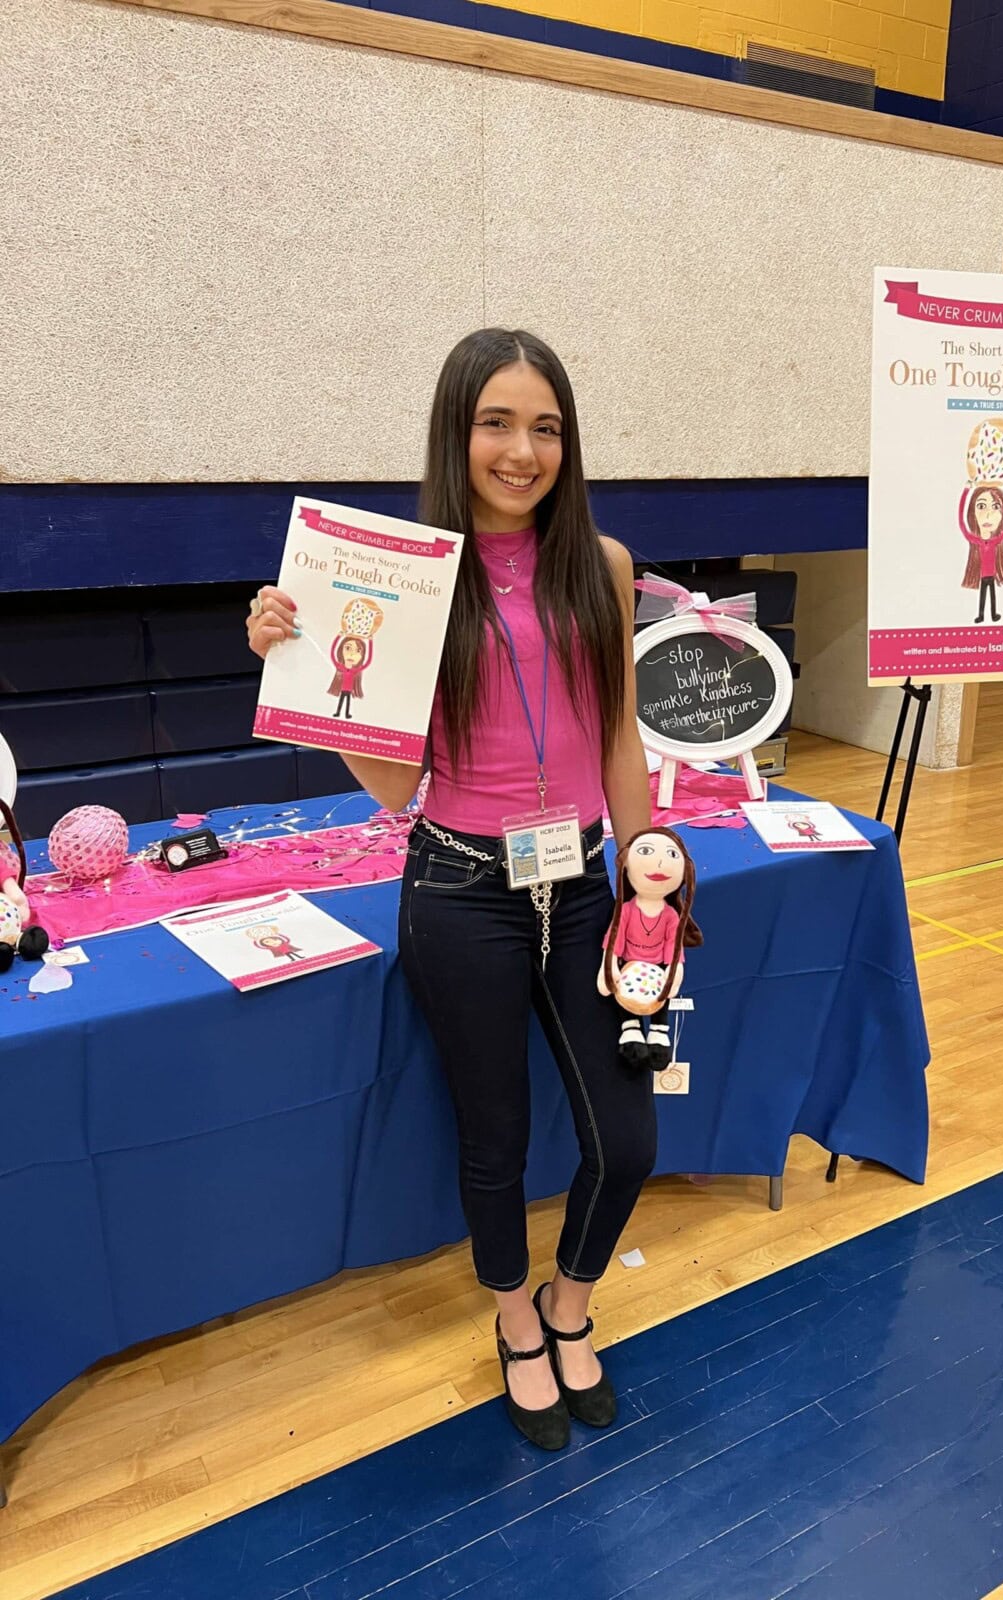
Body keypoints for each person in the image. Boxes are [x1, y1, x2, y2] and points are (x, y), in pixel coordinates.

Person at [246, 328, 654, 1452]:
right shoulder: (412, 578)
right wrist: (298, 668)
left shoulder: (603, 567)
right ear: (455, 431)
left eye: (546, 426)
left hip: (581, 886)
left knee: (626, 1137)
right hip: (459, 889)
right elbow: (395, 780)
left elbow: (618, 733)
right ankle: (519, 1324)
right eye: (496, 422)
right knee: (496, 1138)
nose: (522, 450)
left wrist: (648, 864)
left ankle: (575, 1303)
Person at [959, 482, 1003, 624]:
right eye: (981, 506)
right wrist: (966, 490)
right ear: (972, 512)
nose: (988, 515)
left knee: (992, 597)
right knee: (983, 597)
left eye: (996, 507)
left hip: (991, 575)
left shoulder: (996, 541)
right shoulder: (976, 541)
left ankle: (994, 614)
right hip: (983, 577)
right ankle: (981, 615)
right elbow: (961, 522)